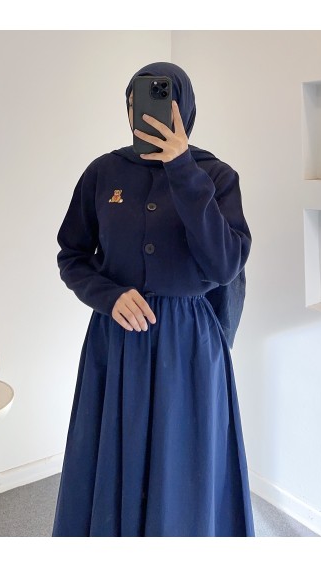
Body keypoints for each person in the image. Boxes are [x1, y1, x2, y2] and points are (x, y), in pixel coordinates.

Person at [51, 62, 255, 537]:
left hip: (188, 347)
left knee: (183, 470)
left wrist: (181, 168)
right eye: (134, 104)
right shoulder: (102, 173)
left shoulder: (216, 176)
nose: (142, 115)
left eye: (161, 102)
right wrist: (108, 295)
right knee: (112, 461)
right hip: (117, 338)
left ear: (184, 110)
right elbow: (72, 255)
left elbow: (226, 264)